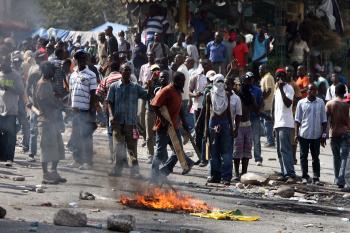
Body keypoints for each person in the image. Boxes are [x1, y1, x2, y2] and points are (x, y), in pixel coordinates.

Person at [150, 72, 195, 182]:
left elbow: (181, 111)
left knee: (178, 151)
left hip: (174, 127)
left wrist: (185, 124)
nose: (183, 83)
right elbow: (154, 105)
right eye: (182, 81)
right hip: (163, 128)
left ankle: (164, 171)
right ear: (176, 81)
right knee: (160, 153)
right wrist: (163, 119)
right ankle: (154, 175)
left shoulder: (178, 92)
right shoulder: (166, 90)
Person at [107, 64, 150, 177]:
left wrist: (151, 86)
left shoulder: (135, 87)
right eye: (125, 70)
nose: (127, 72)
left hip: (131, 123)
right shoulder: (114, 86)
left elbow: (147, 96)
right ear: (121, 71)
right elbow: (109, 102)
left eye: (129, 70)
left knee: (132, 148)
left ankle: (135, 172)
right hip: (117, 122)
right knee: (118, 147)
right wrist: (111, 116)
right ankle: (117, 170)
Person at [34, 62, 66, 184]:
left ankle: (53, 172)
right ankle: (45, 175)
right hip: (46, 121)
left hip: (52, 121)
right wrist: (56, 104)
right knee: (46, 149)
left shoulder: (47, 83)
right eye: (52, 70)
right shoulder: (42, 84)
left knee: (57, 148)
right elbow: (42, 102)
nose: (54, 73)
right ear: (47, 71)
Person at [69, 50, 98, 170]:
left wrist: (92, 112)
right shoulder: (73, 74)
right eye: (78, 59)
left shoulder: (91, 75)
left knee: (86, 136)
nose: (81, 61)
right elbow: (71, 92)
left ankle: (88, 162)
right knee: (76, 136)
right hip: (75, 110)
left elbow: (93, 95)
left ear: (85, 60)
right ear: (76, 60)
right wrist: (69, 107)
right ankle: (77, 160)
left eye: (83, 59)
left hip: (85, 110)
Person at [204, 74, 234, 185]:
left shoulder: (227, 95)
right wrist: (206, 129)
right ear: (214, 82)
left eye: (222, 81)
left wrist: (231, 127)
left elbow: (228, 111)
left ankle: (226, 177)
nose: (220, 83)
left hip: (225, 123)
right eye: (218, 81)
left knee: (226, 152)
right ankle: (215, 176)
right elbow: (207, 113)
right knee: (213, 151)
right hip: (213, 123)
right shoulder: (209, 95)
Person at [295, 83, 327, 185]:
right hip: (304, 134)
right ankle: (304, 176)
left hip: (316, 135)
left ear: (316, 91)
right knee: (303, 156)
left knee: (315, 157)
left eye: (314, 90)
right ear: (307, 91)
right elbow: (297, 120)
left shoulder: (320, 102)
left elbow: (324, 120)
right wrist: (296, 134)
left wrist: (324, 135)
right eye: (310, 90)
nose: (312, 92)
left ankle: (316, 177)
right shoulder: (301, 103)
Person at [0, 53, 25, 166]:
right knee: (1, 134)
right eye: (1, 65)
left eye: (4, 65)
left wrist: (9, 88)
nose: (2, 66)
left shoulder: (16, 76)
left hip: (11, 109)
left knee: (10, 135)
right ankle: (2, 157)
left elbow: (20, 91)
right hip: (0, 109)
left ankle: (9, 158)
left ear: (9, 64)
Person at [273, 68, 296, 183]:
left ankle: (290, 174)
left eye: (281, 76)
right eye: (277, 76)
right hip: (278, 124)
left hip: (285, 123)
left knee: (285, 149)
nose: (279, 78)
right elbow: (276, 109)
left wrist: (281, 89)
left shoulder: (288, 88)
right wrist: (274, 125)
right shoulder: (276, 90)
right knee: (279, 150)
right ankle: (283, 172)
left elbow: (288, 104)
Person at [96, 62, 122, 163]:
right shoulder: (123, 77)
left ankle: (112, 157)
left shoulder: (106, 79)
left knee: (111, 132)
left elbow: (98, 93)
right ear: (119, 68)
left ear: (109, 69)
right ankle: (122, 157)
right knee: (122, 132)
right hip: (123, 109)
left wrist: (104, 101)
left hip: (109, 110)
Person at [233, 73, 257, 181]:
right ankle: (237, 173)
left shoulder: (250, 96)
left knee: (247, 151)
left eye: (250, 81)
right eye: (246, 81)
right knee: (237, 151)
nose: (248, 83)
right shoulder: (236, 95)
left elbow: (255, 109)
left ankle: (244, 173)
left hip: (247, 125)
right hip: (238, 125)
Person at [326, 83, 350, 189]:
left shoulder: (329, 104)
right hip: (345, 133)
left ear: (334, 92)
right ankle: (340, 179)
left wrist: (323, 135)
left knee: (336, 157)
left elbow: (326, 121)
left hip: (334, 133)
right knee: (344, 157)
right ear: (344, 92)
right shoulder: (346, 105)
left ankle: (337, 179)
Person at [189, 59, 211, 156]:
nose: (206, 66)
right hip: (198, 107)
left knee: (207, 132)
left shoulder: (213, 76)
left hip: (210, 109)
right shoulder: (196, 77)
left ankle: (206, 155)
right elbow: (188, 91)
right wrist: (195, 95)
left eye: (208, 64)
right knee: (198, 132)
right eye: (204, 64)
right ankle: (199, 155)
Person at [286, 65, 302, 164]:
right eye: (287, 71)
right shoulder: (281, 84)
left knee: (293, 138)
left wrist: (291, 101)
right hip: (284, 115)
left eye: (291, 71)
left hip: (292, 114)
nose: (289, 73)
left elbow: (298, 97)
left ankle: (294, 157)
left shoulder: (294, 85)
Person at [248, 72, 263, 166]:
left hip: (255, 117)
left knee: (256, 139)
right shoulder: (243, 89)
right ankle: (245, 157)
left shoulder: (258, 90)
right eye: (248, 78)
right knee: (245, 138)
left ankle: (258, 158)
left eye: (251, 78)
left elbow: (261, 103)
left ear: (253, 79)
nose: (249, 80)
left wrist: (258, 110)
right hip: (245, 118)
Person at [177, 56, 195, 137]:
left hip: (181, 98)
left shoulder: (182, 70)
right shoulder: (184, 69)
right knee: (181, 119)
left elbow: (180, 85)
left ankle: (185, 134)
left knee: (178, 119)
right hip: (184, 98)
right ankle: (185, 134)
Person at [259, 64, 275, 147]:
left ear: (265, 69)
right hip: (265, 105)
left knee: (267, 123)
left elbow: (268, 91)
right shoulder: (265, 77)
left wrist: (261, 99)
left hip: (267, 104)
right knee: (265, 123)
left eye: (261, 69)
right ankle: (270, 139)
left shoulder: (268, 77)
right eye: (259, 69)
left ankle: (270, 141)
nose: (259, 71)